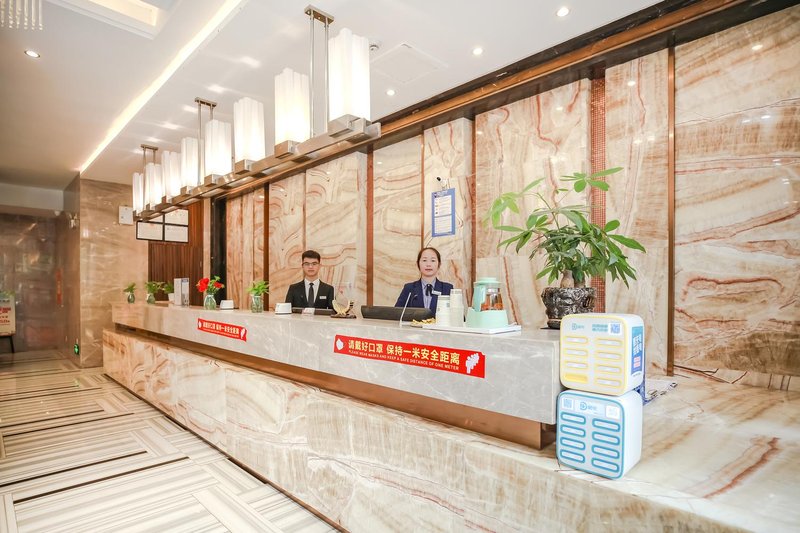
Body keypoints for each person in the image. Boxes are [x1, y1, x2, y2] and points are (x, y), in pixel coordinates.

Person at [394, 247, 453, 314]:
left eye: (433, 260)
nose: (428, 264)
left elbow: (457, 315)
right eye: (424, 260)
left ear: (439, 264)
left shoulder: (447, 288)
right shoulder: (409, 288)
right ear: (418, 264)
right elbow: (397, 314)